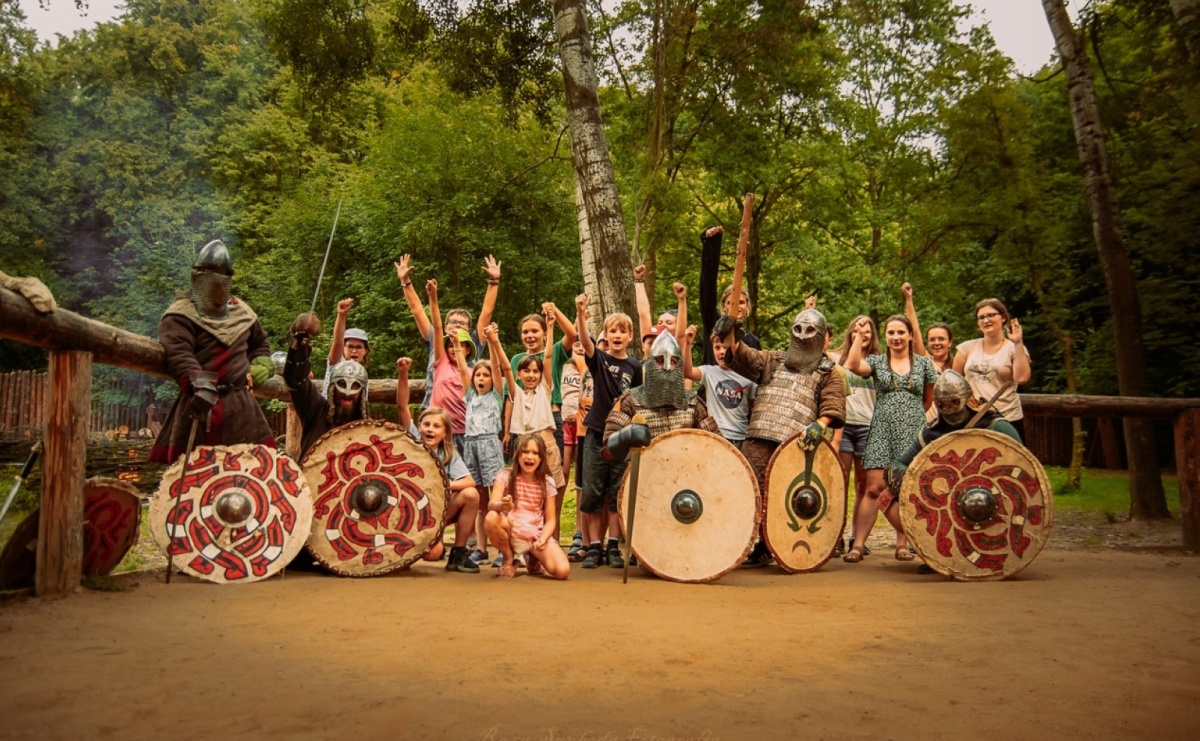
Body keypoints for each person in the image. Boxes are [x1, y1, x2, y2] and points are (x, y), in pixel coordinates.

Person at [718, 307, 846, 567]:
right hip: (761, 434)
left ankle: (768, 546)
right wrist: (732, 337)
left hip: (796, 444)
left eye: (810, 330)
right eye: (798, 328)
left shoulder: (828, 372)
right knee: (748, 488)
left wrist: (820, 425)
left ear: (822, 336)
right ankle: (739, 543)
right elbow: (742, 357)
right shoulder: (773, 360)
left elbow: (832, 404)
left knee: (782, 496)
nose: (803, 335)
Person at [149, 239, 276, 464]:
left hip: (242, 407)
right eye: (214, 274)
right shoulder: (181, 314)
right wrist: (197, 383)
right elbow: (179, 352)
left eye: (223, 276)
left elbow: (260, 345)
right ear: (199, 275)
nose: (218, 282)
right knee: (194, 479)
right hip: (200, 405)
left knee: (251, 474)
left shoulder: (243, 313)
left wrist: (261, 365)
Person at [841, 314, 938, 564]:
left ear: (910, 336)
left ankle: (903, 544)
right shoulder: (876, 361)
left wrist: (908, 415)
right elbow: (852, 365)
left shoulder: (924, 365)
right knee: (874, 488)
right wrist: (860, 335)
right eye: (891, 333)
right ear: (885, 337)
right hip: (882, 429)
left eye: (900, 332)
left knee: (908, 489)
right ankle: (859, 545)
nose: (896, 337)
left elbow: (928, 401)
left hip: (913, 432)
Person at [575, 293, 642, 570]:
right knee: (592, 490)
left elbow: (638, 399)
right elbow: (583, 340)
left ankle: (614, 545)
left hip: (621, 436)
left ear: (629, 336)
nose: (616, 335)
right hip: (594, 432)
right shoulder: (599, 359)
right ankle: (593, 546)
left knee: (616, 492)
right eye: (612, 330)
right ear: (606, 334)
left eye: (622, 331)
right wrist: (580, 313)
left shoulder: (636, 366)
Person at [396, 358, 481, 573]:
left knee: (471, 494)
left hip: (436, 512)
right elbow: (402, 406)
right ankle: (407, 546)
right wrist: (403, 374)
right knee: (432, 554)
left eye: (436, 426)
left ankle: (458, 553)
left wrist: (441, 484)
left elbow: (469, 481)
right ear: (419, 426)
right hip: (409, 513)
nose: (430, 430)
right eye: (426, 424)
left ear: (445, 433)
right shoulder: (413, 442)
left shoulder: (447, 453)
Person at [394, 254, 499, 410]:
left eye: (462, 323)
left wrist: (494, 282)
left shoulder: (474, 344)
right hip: (434, 411)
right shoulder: (435, 340)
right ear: (444, 327)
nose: (456, 325)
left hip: (466, 413)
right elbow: (417, 311)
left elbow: (487, 312)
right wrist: (405, 282)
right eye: (453, 322)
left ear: (469, 330)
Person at [449, 332, 506, 566]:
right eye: (478, 375)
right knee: (481, 501)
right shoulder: (470, 395)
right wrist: (455, 344)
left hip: (490, 444)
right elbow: (463, 369)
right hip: (471, 445)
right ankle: (481, 549)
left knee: (497, 499)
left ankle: (503, 548)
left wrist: (492, 341)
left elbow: (495, 364)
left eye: (486, 375)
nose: (481, 378)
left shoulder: (497, 395)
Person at [828, 316, 882, 557]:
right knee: (840, 484)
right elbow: (815, 346)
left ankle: (857, 538)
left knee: (863, 486)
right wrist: (811, 311)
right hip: (843, 426)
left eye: (867, 330)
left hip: (868, 428)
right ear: (850, 333)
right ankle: (835, 537)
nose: (863, 333)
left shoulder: (879, 362)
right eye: (858, 329)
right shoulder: (836, 358)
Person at [484, 433, 571, 580]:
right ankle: (508, 557)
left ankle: (533, 558)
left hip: (533, 536)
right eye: (525, 451)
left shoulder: (547, 482)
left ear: (541, 457)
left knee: (562, 571)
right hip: (511, 530)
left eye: (535, 453)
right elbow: (491, 504)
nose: (529, 457)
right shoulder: (504, 475)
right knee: (491, 517)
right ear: (517, 454)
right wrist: (503, 505)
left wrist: (542, 539)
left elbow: (551, 519)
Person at [282, 312, 369, 458]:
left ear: (362, 393)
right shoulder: (315, 410)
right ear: (332, 388)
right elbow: (295, 380)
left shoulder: (368, 430)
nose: (348, 392)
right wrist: (300, 341)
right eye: (342, 384)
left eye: (355, 386)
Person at [953, 298, 1032, 439]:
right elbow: (953, 383)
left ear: (1002, 317)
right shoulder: (966, 348)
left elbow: (1022, 378)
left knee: (1011, 460)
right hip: (975, 419)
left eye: (991, 315)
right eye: (981, 317)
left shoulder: (1014, 349)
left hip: (1008, 418)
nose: (986, 320)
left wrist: (1018, 342)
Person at [698, 225, 762, 366]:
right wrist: (712, 246)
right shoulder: (714, 326)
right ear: (723, 306)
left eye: (741, 302)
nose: (736, 307)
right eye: (731, 302)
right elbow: (707, 288)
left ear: (747, 307)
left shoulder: (752, 341)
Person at [559, 338, 589, 560]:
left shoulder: (590, 366)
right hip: (563, 421)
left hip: (582, 424)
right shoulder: (563, 364)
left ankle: (581, 531)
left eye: (583, 344)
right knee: (562, 472)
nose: (579, 348)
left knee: (581, 474)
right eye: (575, 344)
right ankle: (555, 527)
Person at [902, 282, 954, 374]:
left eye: (941, 339)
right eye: (932, 339)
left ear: (950, 342)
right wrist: (909, 299)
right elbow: (914, 331)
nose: (936, 343)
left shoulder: (958, 364)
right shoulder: (925, 361)